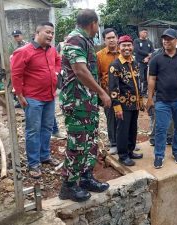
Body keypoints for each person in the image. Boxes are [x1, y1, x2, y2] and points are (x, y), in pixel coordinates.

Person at [59, 9, 110, 202]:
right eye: (98, 25)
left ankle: (85, 177)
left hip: (87, 102)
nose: (98, 28)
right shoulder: (74, 40)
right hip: (76, 102)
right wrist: (102, 92)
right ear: (93, 24)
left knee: (90, 142)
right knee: (77, 144)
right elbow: (80, 71)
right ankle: (69, 185)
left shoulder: (85, 40)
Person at [11, 22, 61, 179]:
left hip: (50, 96)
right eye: (47, 32)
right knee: (33, 131)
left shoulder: (52, 50)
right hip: (32, 98)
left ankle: (44, 156)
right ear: (37, 32)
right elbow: (16, 74)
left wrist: (56, 72)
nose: (51, 35)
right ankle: (33, 163)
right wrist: (19, 95)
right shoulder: (24, 51)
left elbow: (58, 60)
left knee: (47, 128)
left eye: (52, 33)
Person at [147, 28, 177, 169]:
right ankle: (159, 155)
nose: (166, 41)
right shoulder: (156, 59)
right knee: (161, 128)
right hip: (162, 100)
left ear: (176, 40)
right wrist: (150, 98)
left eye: (169, 39)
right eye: (164, 39)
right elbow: (152, 79)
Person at [108, 35, 144, 166]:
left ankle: (130, 151)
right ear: (119, 47)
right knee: (122, 130)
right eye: (124, 46)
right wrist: (117, 107)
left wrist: (140, 100)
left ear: (132, 47)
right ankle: (122, 156)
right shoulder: (115, 65)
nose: (127, 48)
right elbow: (113, 88)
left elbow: (138, 83)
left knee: (132, 128)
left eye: (129, 45)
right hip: (123, 105)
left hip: (134, 104)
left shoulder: (135, 63)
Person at [96, 28, 119, 155]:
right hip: (108, 93)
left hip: (124, 93)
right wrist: (101, 94)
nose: (111, 40)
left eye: (113, 37)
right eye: (108, 38)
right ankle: (114, 143)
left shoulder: (124, 52)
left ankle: (127, 142)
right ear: (104, 40)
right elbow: (97, 76)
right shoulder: (99, 56)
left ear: (117, 38)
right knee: (111, 118)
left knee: (126, 118)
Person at [133, 29, 154, 97]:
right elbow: (137, 50)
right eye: (144, 32)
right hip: (139, 62)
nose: (146, 33)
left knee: (146, 78)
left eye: (146, 32)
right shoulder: (136, 41)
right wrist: (148, 54)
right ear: (140, 33)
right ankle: (138, 91)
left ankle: (144, 92)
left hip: (147, 63)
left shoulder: (149, 42)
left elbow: (153, 51)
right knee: (139, 77)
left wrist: (148, 58)